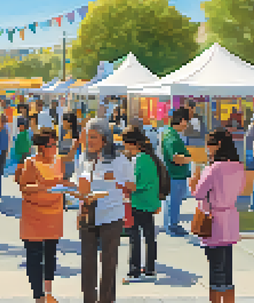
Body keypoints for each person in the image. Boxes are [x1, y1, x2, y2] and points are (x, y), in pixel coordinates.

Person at [73, 118, 130, 303]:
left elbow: (132, 185)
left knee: (108, 262)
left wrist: (115, 182)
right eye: (88, 137)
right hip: (87, 213)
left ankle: (106, 300)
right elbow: (76, 181)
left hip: (111, 215)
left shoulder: (119, 159)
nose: (89, 141)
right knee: (87, 262)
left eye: (94, 137)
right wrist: (75, 193)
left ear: (105, 139)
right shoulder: (83, 157)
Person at [191, 128, 244, 303]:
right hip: (230, 219)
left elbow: (198, 193)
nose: (207, 148)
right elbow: (241, 189)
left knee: (215, 269)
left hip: (213, 221)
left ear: (217, 145)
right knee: (227, 268)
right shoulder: (238, 167)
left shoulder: (213, 169)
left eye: (209, 144)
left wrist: (193, 182)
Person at [15, 128, 68, 303]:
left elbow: (62, 181)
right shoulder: (31, 163)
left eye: (55, 144)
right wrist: (44, 186)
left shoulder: (59, 161)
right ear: (41, 147)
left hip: (53, 214)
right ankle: (38, 296)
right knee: (35, 256)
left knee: (51, 255)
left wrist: (68, 186)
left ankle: (48, 292)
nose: (54, 148)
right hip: (34, 215)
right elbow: (24, 188)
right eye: (51, 145)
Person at [121, 126, 162, 282]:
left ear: (131, 143)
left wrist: (119, 184)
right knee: (149, 237)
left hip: (136, 203)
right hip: (149, 203)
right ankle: (150, 268)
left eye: (125, 142)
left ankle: (134, 270)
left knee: (134, 236)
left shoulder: (138, 160)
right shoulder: (149, 158)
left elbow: (134, 184)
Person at [161, 107, 193, 237]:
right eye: (187, 121)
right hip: (174, 174)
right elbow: (175, 158)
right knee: (173, 201)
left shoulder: (170, 134)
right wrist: (189, 159)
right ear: (182, 121)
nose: (187, 125)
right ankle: (172, 225)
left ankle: (171, 224)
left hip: (175, 174)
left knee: (173, 201)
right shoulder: (171, 137)